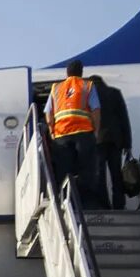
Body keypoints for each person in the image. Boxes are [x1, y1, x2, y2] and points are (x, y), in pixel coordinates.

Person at [46, 59, 102, 210]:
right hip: (83, 133)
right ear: (81, 72)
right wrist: (96, 130)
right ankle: (86, 204)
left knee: (64, 170)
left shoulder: (56, 88)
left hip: (61, 135)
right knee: (86, 169)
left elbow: (48, 113)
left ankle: (65, 202)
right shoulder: (87, 86)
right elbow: (96, 109)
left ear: (67, 72)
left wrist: (52, 130)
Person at [92, 77, 135, 209]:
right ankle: (119, 204)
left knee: (100, 175)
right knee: (116, 173)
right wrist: (128, 144)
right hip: (116, 140)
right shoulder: (115, 93)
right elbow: (124, 118)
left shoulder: (91, 96)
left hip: (98, 141)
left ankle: (104, 205)